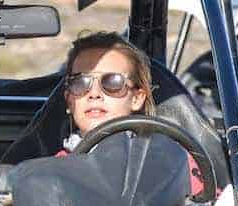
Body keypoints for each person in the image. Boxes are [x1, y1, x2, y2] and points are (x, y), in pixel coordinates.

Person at [60, 31, 203, 193]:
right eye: (80, 83)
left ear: (137, 98)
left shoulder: (174, 162)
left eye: (113, 82)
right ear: (70, 100)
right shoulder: (52, 171)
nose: (94, 94)